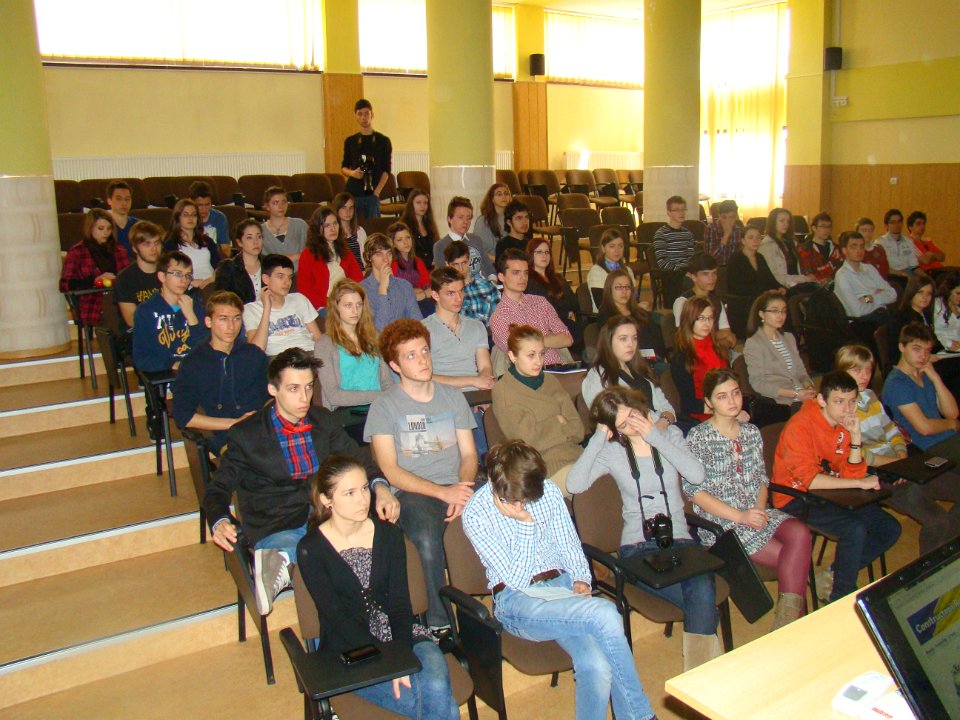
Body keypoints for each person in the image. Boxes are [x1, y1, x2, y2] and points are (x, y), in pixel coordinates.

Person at [464, 440, 657, 720]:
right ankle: (640, 715)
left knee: (596, 665)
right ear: (494, 483)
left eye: (527, 499)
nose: (521, 505)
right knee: (605, 613)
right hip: (517, 601)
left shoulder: (548, 491)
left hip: (562, 590)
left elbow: (569, 544)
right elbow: (516, 579)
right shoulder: (476, 513)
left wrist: (581, 578)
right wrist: (525, 524)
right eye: (514, 500)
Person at [204, 348, 398, 615]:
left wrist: (381, 487)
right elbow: (218, 488)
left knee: (382, 545)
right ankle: (280, 560)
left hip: (326, 516)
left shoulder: (323, 420)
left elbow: (358, 459)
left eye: (308, 387)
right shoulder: (246, 435)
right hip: (278, 522)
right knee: (321, 563)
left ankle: (284, 561)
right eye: (293, 389)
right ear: (273, 390)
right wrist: (220, 519)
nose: (304, 397)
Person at [568, 387, 724, 670]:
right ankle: (707, 676)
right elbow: (574, 484)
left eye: (633, 415)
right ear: (614, 430)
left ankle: (700, 678)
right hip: (639, 548)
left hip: (680, 540)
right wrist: (598, 437)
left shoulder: (670, 436)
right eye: (623, 425)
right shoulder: (612, 451)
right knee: (703, 599)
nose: (633, 425)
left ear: (640, 407)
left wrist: (654, 436)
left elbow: (697, 475)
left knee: (701, 590)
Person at [297, 455, 459, 720]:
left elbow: (400, 605)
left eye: (364, 488)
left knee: (438, 689)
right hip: (351, 651)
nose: (363, 500)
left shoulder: (389, 535)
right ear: (327, 500)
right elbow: (336, 617)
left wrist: (400, 657)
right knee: (445, 706)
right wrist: (388, 663)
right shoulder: (311, 549)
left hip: (405, 636)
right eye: (349, 493)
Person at [365, 319, 479, 631]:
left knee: (508, 506)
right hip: (413, 492)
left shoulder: (452, 396)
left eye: (425, 351)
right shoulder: (384, 406)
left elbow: (469, 455)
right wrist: (443, 493)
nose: (423, 360)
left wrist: (462, 488)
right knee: (427, 540)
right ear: (395, 365)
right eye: (411, 355)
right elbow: (390, 471)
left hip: (457, 483)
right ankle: (438, 622)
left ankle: (509, 599)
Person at [686, 369, 812, 629]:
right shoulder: (699, 437)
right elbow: (695, 494)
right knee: (794, 560)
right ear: (709, 402)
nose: (732, 401)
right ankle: (791, 625)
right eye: (722, 397)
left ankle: (787, 624)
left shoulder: (751, 432)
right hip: (723, 525)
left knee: (801, 533)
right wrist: (741, 516)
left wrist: (758, 509)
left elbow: (761, 480)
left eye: (735, 393)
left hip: (755, 512)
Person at [772, 370, 901, 603]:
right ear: (822, 400)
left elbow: (851, 473)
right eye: (839, 402)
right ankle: (841, 596)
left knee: (889, 527)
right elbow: (811, 481)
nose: (847, 409)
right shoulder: (800, 427)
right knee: (854, 529)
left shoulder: (843, 425)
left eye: (852, 402)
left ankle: (835, 573)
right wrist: (858, 482)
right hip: (795, 497)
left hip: (830, 493)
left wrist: (856, 438)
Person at [837, 343, 960, 556]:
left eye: (868, 369)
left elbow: (893, 431)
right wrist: (895, 464)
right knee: (938, 520)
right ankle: (930, 567)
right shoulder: (838, 407)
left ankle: (947, 553)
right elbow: (856, 455)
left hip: (900, 464)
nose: (864, 376)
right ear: (842, 371)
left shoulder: (870, 396)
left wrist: (901, 455)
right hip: (875, 475)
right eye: (856, 370)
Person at [172, 291, 269, 455]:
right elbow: (183, 416)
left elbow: (270, 397)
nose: (231, 326)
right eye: (223, 319)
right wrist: (234, 423)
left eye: (236, 318)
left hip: (262, 430)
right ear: (208, 322)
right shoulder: (193, 363)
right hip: (228, 437)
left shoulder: (254, 355)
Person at [492, 325, 584, 494]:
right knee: (593, 489)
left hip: (578, 456)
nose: (538, 361)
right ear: (512, 356)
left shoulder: (550, 381)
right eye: (531, 355)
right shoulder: (504, 391)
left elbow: (578, 430)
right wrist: (559, 422)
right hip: (542, 469)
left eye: (542, 354)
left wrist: (545, 428)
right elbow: (528, 441)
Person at [882, 322, 960, 459]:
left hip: (949, 438)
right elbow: (924, 428)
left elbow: (952, 413)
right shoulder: (896, 384)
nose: (923, 356)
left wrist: (936, 378)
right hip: (929, 447)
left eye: (927, 350)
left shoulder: (926, 374)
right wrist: (951, 424)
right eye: (917, 349)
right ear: (902, 347)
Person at [581, 315, 676, 426]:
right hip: (634, 434)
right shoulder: (597, 376)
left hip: (663, 428)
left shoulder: (640, 368)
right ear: (608, 342)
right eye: (623, 339)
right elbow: (605, 421)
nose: (631, 344)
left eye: (634, 338)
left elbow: (667, 407)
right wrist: (653, 431)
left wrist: (662, 424)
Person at [314, 279, 393, 410]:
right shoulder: (324, 344)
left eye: (359, 305)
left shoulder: (375, 336)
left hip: (379, 407)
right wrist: (380, 396)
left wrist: (388, 399)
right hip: (345, 411)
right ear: (336, 307)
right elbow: (333, 395)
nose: (355, 311)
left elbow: (387, 381)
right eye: (348, 305)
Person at [489, 249, 573, 369]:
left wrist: (533, 341)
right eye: (516, 273)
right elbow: (519, 352)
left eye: (526, 273)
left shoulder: (540, 302)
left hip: (558, 369)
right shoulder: (499, 317)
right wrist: (549, 338)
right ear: (501, 277)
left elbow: (567, 338)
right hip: (529, 374)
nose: (523, 278)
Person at [423, 266, 495, 394]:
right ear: (435, 295)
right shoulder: (422, 330)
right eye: (451, 293)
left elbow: (485, 367)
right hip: (442, 395)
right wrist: (472, 381)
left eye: (461, 291)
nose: (459, 298)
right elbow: (425, 377)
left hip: (476, 394)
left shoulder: (477, 326)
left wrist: (484, 386)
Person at [132, 251, 207, 372]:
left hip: (196, 372)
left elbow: (207, 351)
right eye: (177, 274)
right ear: (162, 276)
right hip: (166, 373)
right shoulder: (146, 311)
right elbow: (141, 359)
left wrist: (192, 319)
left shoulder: (196, 307)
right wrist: (172, 364)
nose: (184, 280)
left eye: (188, 275)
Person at [60, 207, 131, 328]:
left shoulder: (119, 249)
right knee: (114, 313)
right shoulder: (77, 252)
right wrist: (94, 281)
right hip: (92, 302)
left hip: (119, 298)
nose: (106, 233)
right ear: (90, 228)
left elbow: (128, 277)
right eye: (101, 228)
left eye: (109, 228)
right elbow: (65, 284)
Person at [743, 291, 815, 409]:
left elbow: (801, 372)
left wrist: (808, 386)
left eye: (783, 311)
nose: (780, 316)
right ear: (761, 314)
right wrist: (795, 394)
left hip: (801, 395)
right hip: (780, 402)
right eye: (774, 311)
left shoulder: (789, 338)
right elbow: (758, 383)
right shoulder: (754, 343)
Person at [243, 254, 322, 357]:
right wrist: (267, 308)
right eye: (280, 276)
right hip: (279, 358)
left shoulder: (299, 299)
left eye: (290, 277)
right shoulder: (250, 309)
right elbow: (256, 351)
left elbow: (319, 339)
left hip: (309, 353)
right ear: (266, 279)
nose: (287, 282)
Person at [670, 295, 731, 426]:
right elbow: (688, 402)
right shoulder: (681, 356)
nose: (707, 323)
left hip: (725, 408)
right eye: (701, 318)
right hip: (700, 416)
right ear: (689, 320)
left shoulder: (719, 349)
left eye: (710, 318)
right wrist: (720, 409)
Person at [297, 206, 363, 314]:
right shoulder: (308, 255)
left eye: (335, 223)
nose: (333, 229)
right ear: (318, 229)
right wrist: (333, 302)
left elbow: (358, 280)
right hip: (323, 306)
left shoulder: (345, 250)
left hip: (347, 301)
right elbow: (305, 291)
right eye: (327, 225)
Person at [597, 270, 666, 367]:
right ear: (609, 290)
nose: (624, 291)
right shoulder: (606, 316)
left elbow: (658, 340)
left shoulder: (641, 313)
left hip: (652, 359)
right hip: (627, 363)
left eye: (627, 287)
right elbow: (610, 347)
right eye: (619, 287)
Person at [340, 98, 392, 220]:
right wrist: (353, 173)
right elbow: (344, 168)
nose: (363, 117)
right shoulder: (350, 141)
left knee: (373, 224)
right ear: (355, 116)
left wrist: (377, 192)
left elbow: (386, 170)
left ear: (372, 115)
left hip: (372, 193)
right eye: (360, 114)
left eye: (366, 113)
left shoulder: (383, 141)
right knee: (348, 222)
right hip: (353, 192)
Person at [673, 252, 736, 350]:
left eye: (714, 273)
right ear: (694, 277)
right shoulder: (683, 302)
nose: (711, 278)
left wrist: (707, 337)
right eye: (705, 274)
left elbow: (727, 333)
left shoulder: (716, 301)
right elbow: (686, 338)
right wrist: (717, 339)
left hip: (718, 352)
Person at [360, 232, 422, 331]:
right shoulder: (361, 290)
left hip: (405, 338)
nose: (386, 259)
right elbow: (378, 329)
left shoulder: (404, 285)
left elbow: (417, 322)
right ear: (368, 257)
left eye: (388, 253)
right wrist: (382, 290)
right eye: (379, 254)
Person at [833, 231, 897, 322]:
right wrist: (879, 297)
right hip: (862, 322)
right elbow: (857, 311)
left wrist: (870, 298)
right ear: (844, 250)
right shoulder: (842, 276)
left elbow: (893, 294)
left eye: (861, 246)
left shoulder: (870, 269)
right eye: (854, 247)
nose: (859, 251)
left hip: (881, 315)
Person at [525, 236, 581, 341]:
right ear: (531, 255)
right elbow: (545, 311)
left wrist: (559, 306)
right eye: (539, 252)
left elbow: (574, 303)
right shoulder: (529, 282)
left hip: (565, 325)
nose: (544, 255)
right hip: (548, 331)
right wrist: (566, 312)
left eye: (547, 252)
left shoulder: (558, 278)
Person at [113, 220, 162, 331]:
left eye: (157, 243)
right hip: (139, 334)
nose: (153, 249)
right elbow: (132, 320)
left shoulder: (168, 272)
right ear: (135, 248)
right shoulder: (124, 278)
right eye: (147, 244)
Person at [163, 198, 221, 290]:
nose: (190, 218)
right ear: (178, 218)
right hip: (188, 287)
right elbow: (171, 272)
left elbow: (219, 265)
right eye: (185, 215)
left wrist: (210, 280)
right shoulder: (171, 244)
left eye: (194, 215)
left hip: (211, 284)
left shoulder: (207, 240)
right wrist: (191, 281)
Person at [433, 196, 495, 280]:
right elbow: (442, 278)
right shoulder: (440, 245)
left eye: (468, 218)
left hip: (484, 283)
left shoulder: (476, 239)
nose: (465, 222)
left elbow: (489, 268)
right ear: (449, 219)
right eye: (460, 217)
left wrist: (492, 282)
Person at [653, 195, 696, 306]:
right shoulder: (661, 234)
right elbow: (662, 261)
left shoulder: (687, 233)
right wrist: (682, 272)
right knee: (688, 282)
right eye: (676, 210)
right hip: (671, 273)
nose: (681, 213)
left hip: (686, 271)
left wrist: (691, 271)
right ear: (669, 213)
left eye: (683, 209)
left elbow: (691, 257)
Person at [446, 240, 500, 327]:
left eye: (464, 263)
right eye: (455, 264)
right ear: (447, 265)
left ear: (469, 261)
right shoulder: (446, 293)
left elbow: (500, 318)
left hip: (490, 332)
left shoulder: (487, 286)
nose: (461, 268)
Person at [759, 207, 815, 289]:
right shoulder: (766, 246)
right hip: (780, 287)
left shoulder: (790, 243)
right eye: (782, 221)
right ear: (773, 222)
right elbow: (776, 277)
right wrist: (804, 279)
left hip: (796, 283)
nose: (786, 224)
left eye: (788, 221)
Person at [726, 225, 784, 300]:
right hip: (743, 299)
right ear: (743, 241)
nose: (755, 240)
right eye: (751, 238)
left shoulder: (760, 257)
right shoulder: (735, 259)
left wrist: (779, 287)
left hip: (762, 298)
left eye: (758, 237)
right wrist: (765, 292)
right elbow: (736, 287)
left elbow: (770, 279)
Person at [586, 228, 635, 314]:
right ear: (603, 248)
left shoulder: (628, 270)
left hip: (627, 313)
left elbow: (634, 298)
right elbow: (601, 304)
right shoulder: (596, 272)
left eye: (620, 246)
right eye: (612, 246)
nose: (617, 250)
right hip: (608, 316)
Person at [214, 218, 263, 304]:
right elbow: (221, 300)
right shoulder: (228, 267)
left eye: (259, 237)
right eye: (249, 238)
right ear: (239, 242)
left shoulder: (270, 263)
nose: (256, 242)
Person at [260, 186, 308, 270]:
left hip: (301, 272)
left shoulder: (300, 225)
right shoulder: (260, 231)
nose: (281, 206)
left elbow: (315, 249)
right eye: (276, 203)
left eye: (284, 202)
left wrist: (296, 256)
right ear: (267, 206)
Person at [388, 221, 431, 310]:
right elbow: (397, 293)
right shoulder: (392, 264)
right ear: (393, 244)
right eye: (400, 240)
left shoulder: (418, 262)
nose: (406, 242)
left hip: (422, 302)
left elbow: (428, 288)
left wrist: (421, 293)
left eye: (408, 237)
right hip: (402, 306)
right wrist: (419, 292)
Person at [400, 189, 439, 269]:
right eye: (418, 203)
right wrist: (428, 262)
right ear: (411, 204)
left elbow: (435, 246)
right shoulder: (404, 226)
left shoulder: (429, 224)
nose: (422, 206)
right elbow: (407, 252)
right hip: (414, 267)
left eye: (425, 203)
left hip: (432, 267)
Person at [474, 182, 512, 262]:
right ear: (492, 199)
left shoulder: (513, 218)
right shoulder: (483, 221)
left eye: (506, 193)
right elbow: (480, 250)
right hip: (491, 263)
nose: (504, 197)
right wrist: (500, 262)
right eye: (499, 194)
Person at [189, 181, 230, 255]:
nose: (204, 209)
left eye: (207, 204)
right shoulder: (185, 219)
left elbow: (225, 248)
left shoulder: (219, 218)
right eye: (200, 205)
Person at [876, 209, 918, 277]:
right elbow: (881, 267)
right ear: (886, 225)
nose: (897, 225)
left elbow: (914, 266)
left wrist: (926, 277)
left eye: (899, 221)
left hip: (908, 273)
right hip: (891, 275)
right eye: (893, 222)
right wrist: (902, 274)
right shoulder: (880, 243)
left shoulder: (908, 241)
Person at [797, 211, 836, 280]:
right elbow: (807, 274)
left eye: (829, 226)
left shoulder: (836, 249)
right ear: (814, 228)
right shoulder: (805, 249)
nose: (827, 230)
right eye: (823, 226)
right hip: (815, 285)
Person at [106, 180, 139, 260]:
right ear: (109, 201)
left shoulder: (139, 226)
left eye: (127, 199)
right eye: (119, 199)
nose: (124, 203)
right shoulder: (103, 227)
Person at [334, 192, 368, 269]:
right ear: (337, 209)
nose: (348, 211)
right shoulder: (333, 233)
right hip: (343, 274)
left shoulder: (360, 231)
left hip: (362, 272)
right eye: (344, 208)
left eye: (351, 208)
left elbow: (367, 257)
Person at [703, 199, 743, 265]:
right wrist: (725, 236)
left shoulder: (738, 230)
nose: (728, 221)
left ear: (736, 217)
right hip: (716, 268)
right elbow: (711, 259)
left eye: (731, 217)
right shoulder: (711, 229)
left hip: (734, 267)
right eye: (724, 217)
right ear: (719, 216)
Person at [494, 199, 531, 266]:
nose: (524, 222)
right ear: (509, 222)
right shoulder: (503, 245)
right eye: (519, 218)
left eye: (526, 217)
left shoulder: (530, 243)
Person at [933, 272, 960, 352]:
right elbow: (932, 331)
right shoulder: (937, 305)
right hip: (941, 349)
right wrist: (948, 343)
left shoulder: (958, 307)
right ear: (949, 290)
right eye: (958, 293)